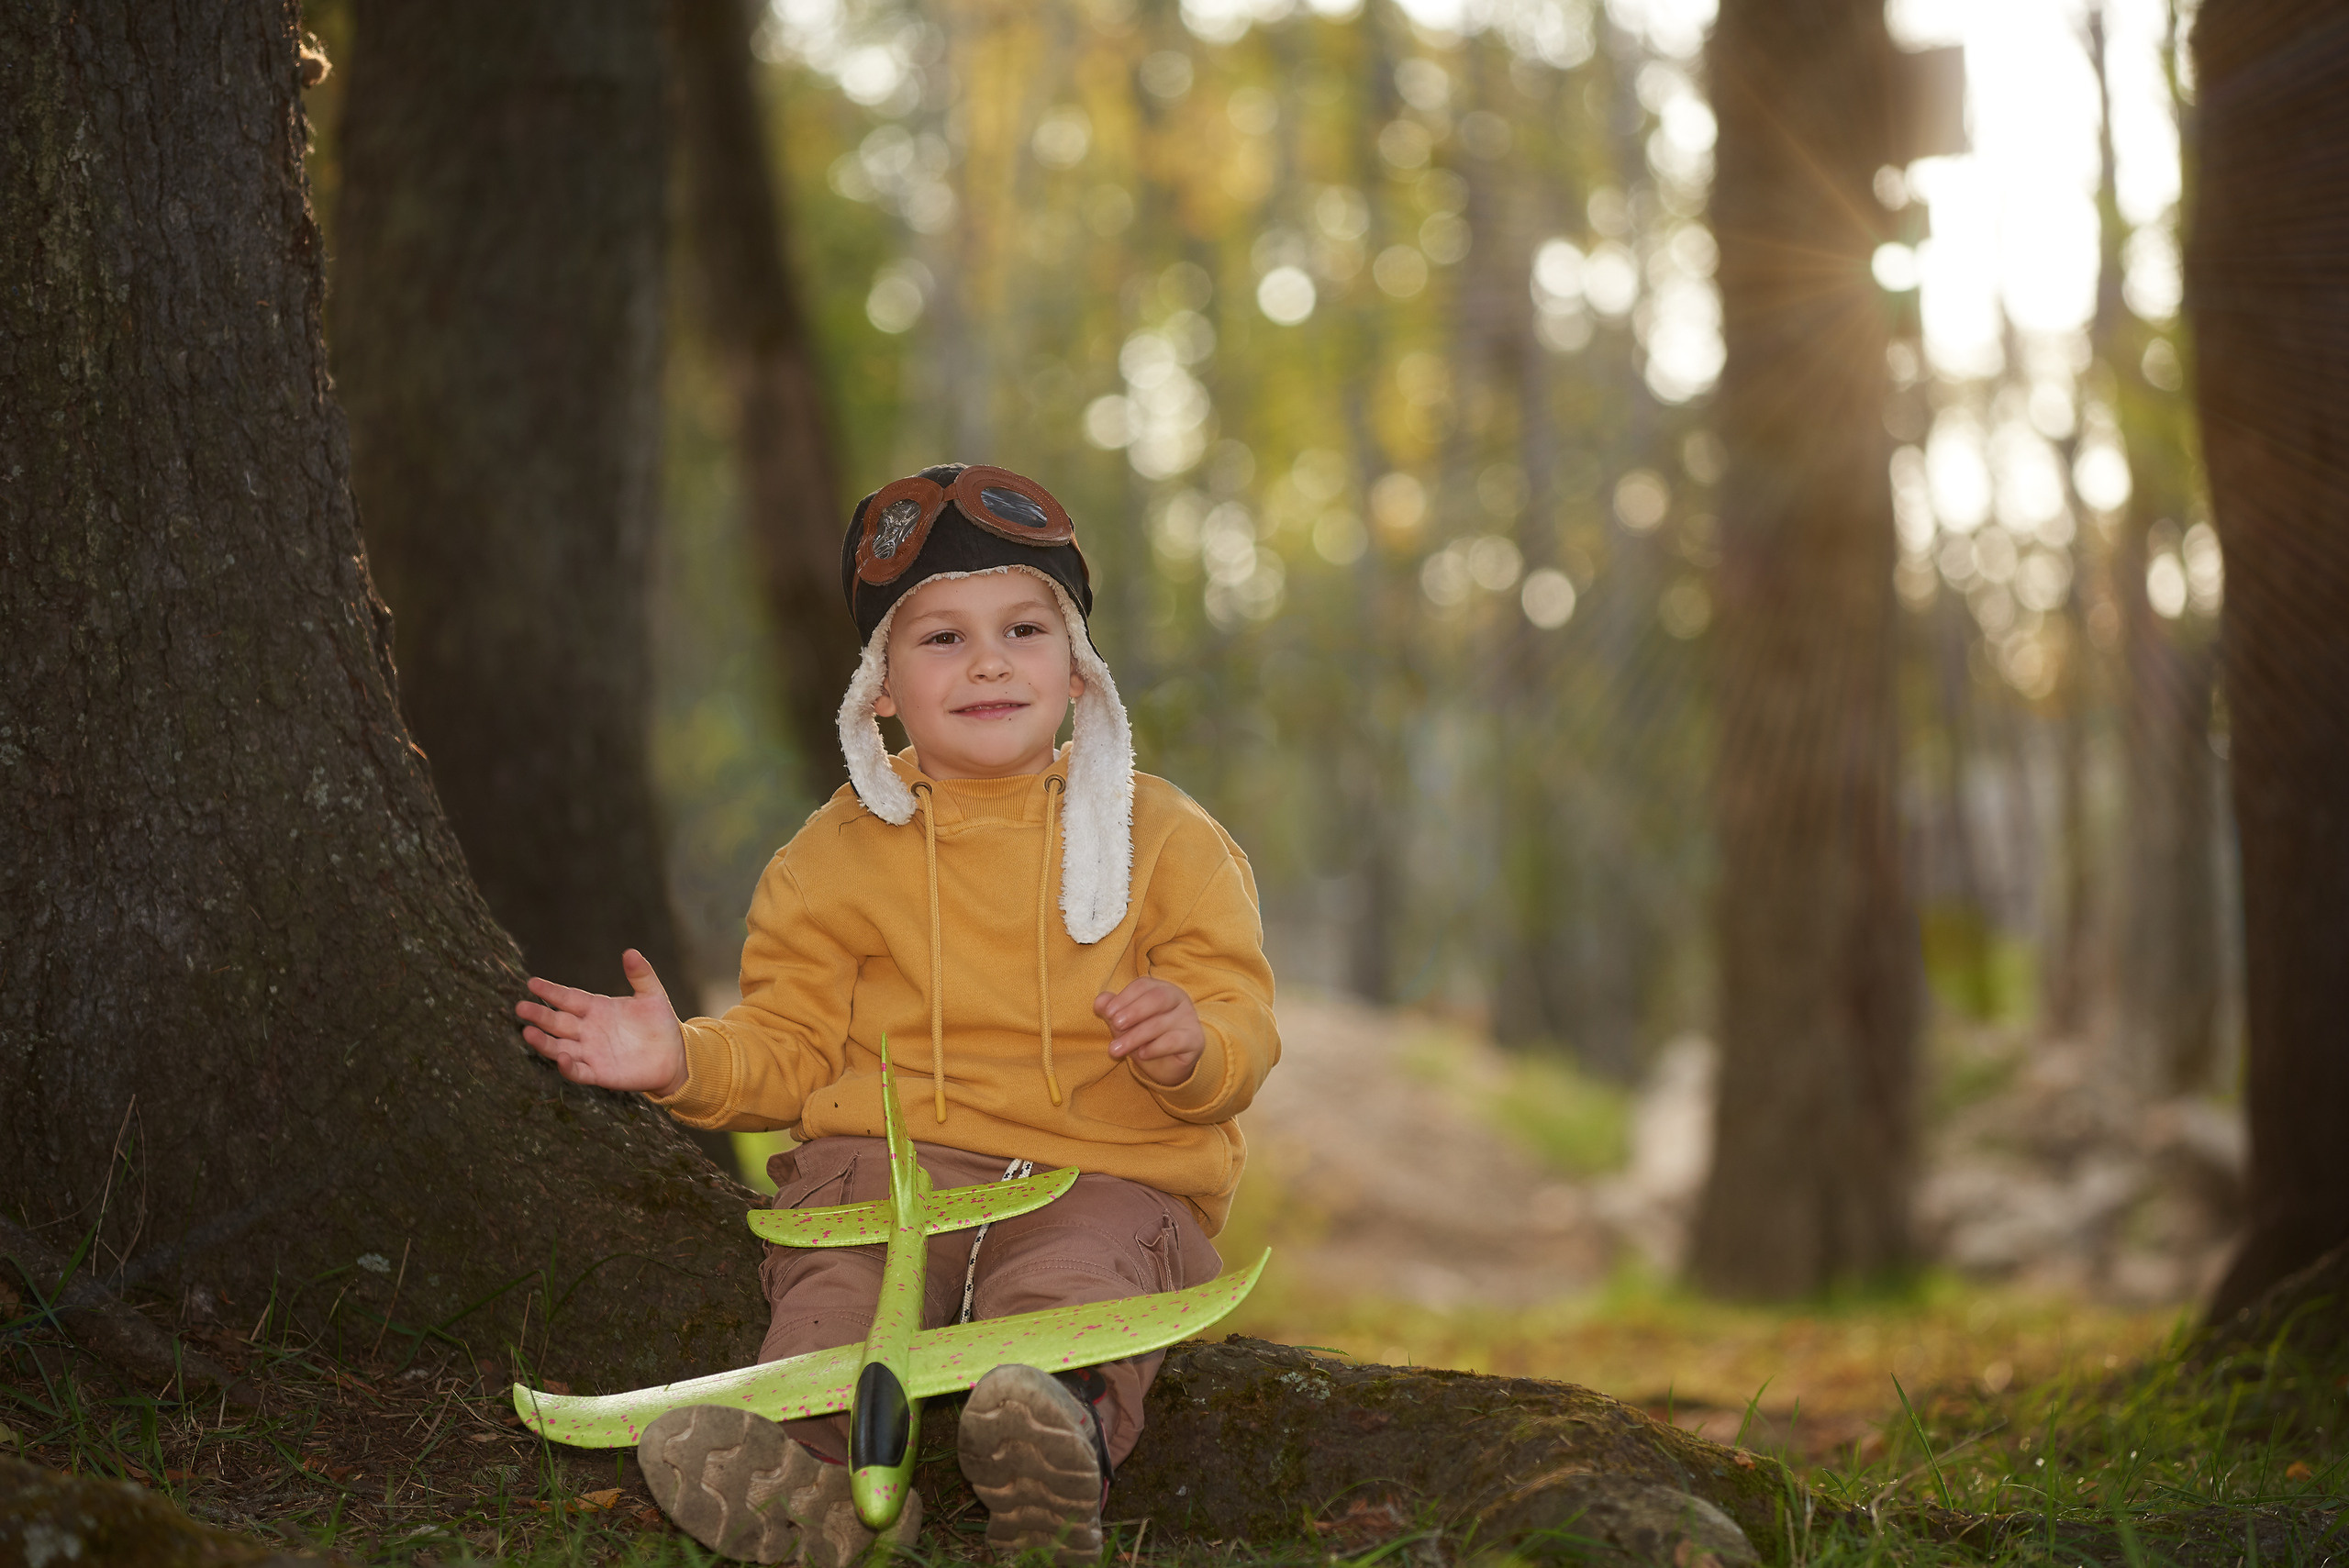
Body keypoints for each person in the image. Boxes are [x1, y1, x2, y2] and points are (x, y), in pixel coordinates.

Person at [516, 463, 1279, 1566]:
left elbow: (1241, 1017)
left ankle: (1051, 1447)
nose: (986, 660)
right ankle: (813, 1482)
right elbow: (786, 1044)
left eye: (1024, 627)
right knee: (832, 1301)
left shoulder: (1162, 835)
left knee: (1073, 1292)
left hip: (1101, 1171)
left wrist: (1194, 1044)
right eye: (940, 639)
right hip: (886, 1172)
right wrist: (679, 1057)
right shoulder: (832, 855)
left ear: (1078, 674)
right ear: (877, 689)